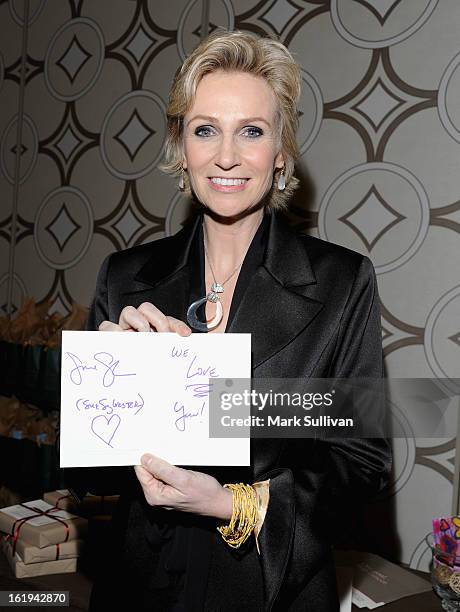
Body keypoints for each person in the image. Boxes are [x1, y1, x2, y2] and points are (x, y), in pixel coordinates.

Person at [68, 30, 391, 612]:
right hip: (140, 584)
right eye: (205, 129)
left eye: (252, 131)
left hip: (272, 588)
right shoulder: (125, 277)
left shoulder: (343, 282)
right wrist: (110, 390)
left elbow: (361, 463)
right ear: (181, 146)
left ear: (281, 152)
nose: (226, 155)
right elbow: (91, 480)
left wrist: (231, 504)